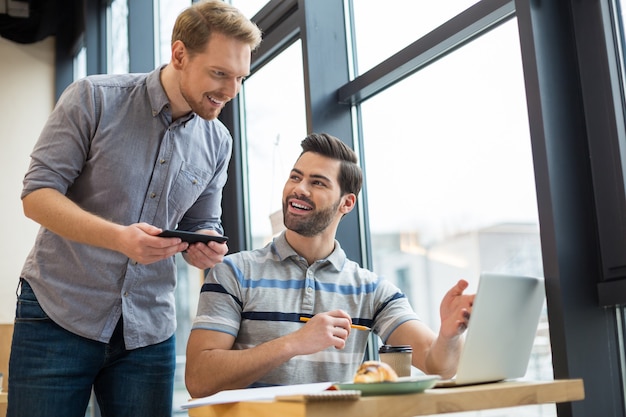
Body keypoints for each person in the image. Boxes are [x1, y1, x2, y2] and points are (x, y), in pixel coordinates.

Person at [7, 2, 262, 417]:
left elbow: (202, 221)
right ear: (179, 55)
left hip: (148, 331)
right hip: (59, 314)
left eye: (239, 78)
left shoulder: (219, 141)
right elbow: (37, 195)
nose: (230, 91)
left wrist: (206, 246)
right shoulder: (93, 98)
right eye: (219, 73)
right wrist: (119, 238)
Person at [185, 132, 475, 398]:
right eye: (295, 177)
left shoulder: (371, 290)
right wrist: (293, 343)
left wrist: (449, 335)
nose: (299, 189)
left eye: (317, 182)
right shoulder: (233, 273)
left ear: (347, 203)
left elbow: (438, 365)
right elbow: (199, 379)